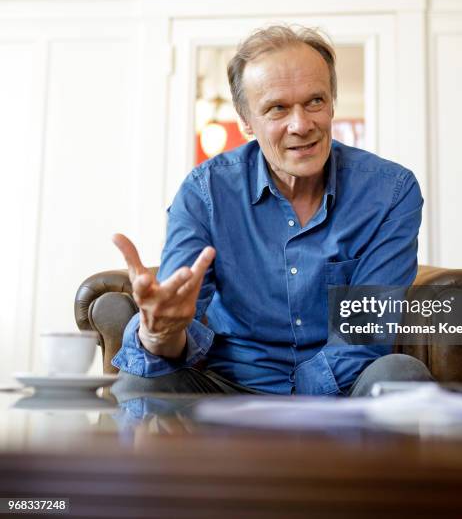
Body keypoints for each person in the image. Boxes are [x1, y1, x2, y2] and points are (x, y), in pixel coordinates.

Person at [112, 25, 433, 398]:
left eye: (315, 101)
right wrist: (159, 333)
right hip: (228, 389)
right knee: (139, 381)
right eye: (277, 108)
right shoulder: (206, 192)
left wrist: (296, 408)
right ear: (246, 120)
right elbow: (170, 334)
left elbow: (365, 334)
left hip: (342, 392)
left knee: (402, 373)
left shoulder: (389, 190)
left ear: (331, 103)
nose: (301, 125)